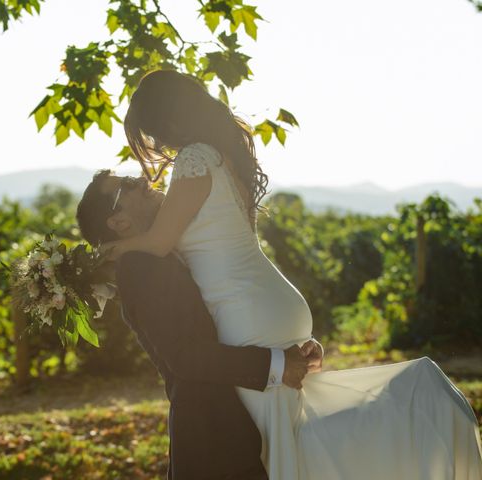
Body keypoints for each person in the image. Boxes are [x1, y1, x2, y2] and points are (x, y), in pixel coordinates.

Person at [99, 69, 482, 479]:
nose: (159, 147)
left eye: (155, 134)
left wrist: (102, 254)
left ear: (171, 121)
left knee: (279, 451)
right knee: (292, 438)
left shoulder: (194, 159)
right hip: (268, 304)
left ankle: (418, 404)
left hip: (244, 314)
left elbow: (158, 242)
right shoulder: (222, 156)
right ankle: (418, 419)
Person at [76, 170, 324, 479]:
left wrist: (289, 341)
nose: (142, 180)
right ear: (119, 222)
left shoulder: (165, 250)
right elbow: (185, 356)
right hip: (216, 441)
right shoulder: (138, 266)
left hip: (246, 421)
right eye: (126, 186)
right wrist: (277, 364)